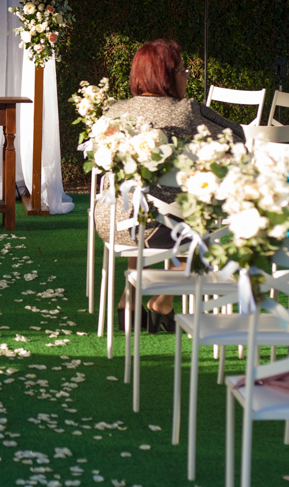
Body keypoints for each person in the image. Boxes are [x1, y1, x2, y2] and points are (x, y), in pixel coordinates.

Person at [94, 39, 244, 331]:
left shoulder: (114, 112)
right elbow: (237, 136)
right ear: (167, 75)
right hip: (168, 230)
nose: (187, 76)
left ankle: (130, 300)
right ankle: (163, 303)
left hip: (113, 223)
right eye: (183, 70)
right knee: (201, 216)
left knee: (140, 200)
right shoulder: (187, 111)